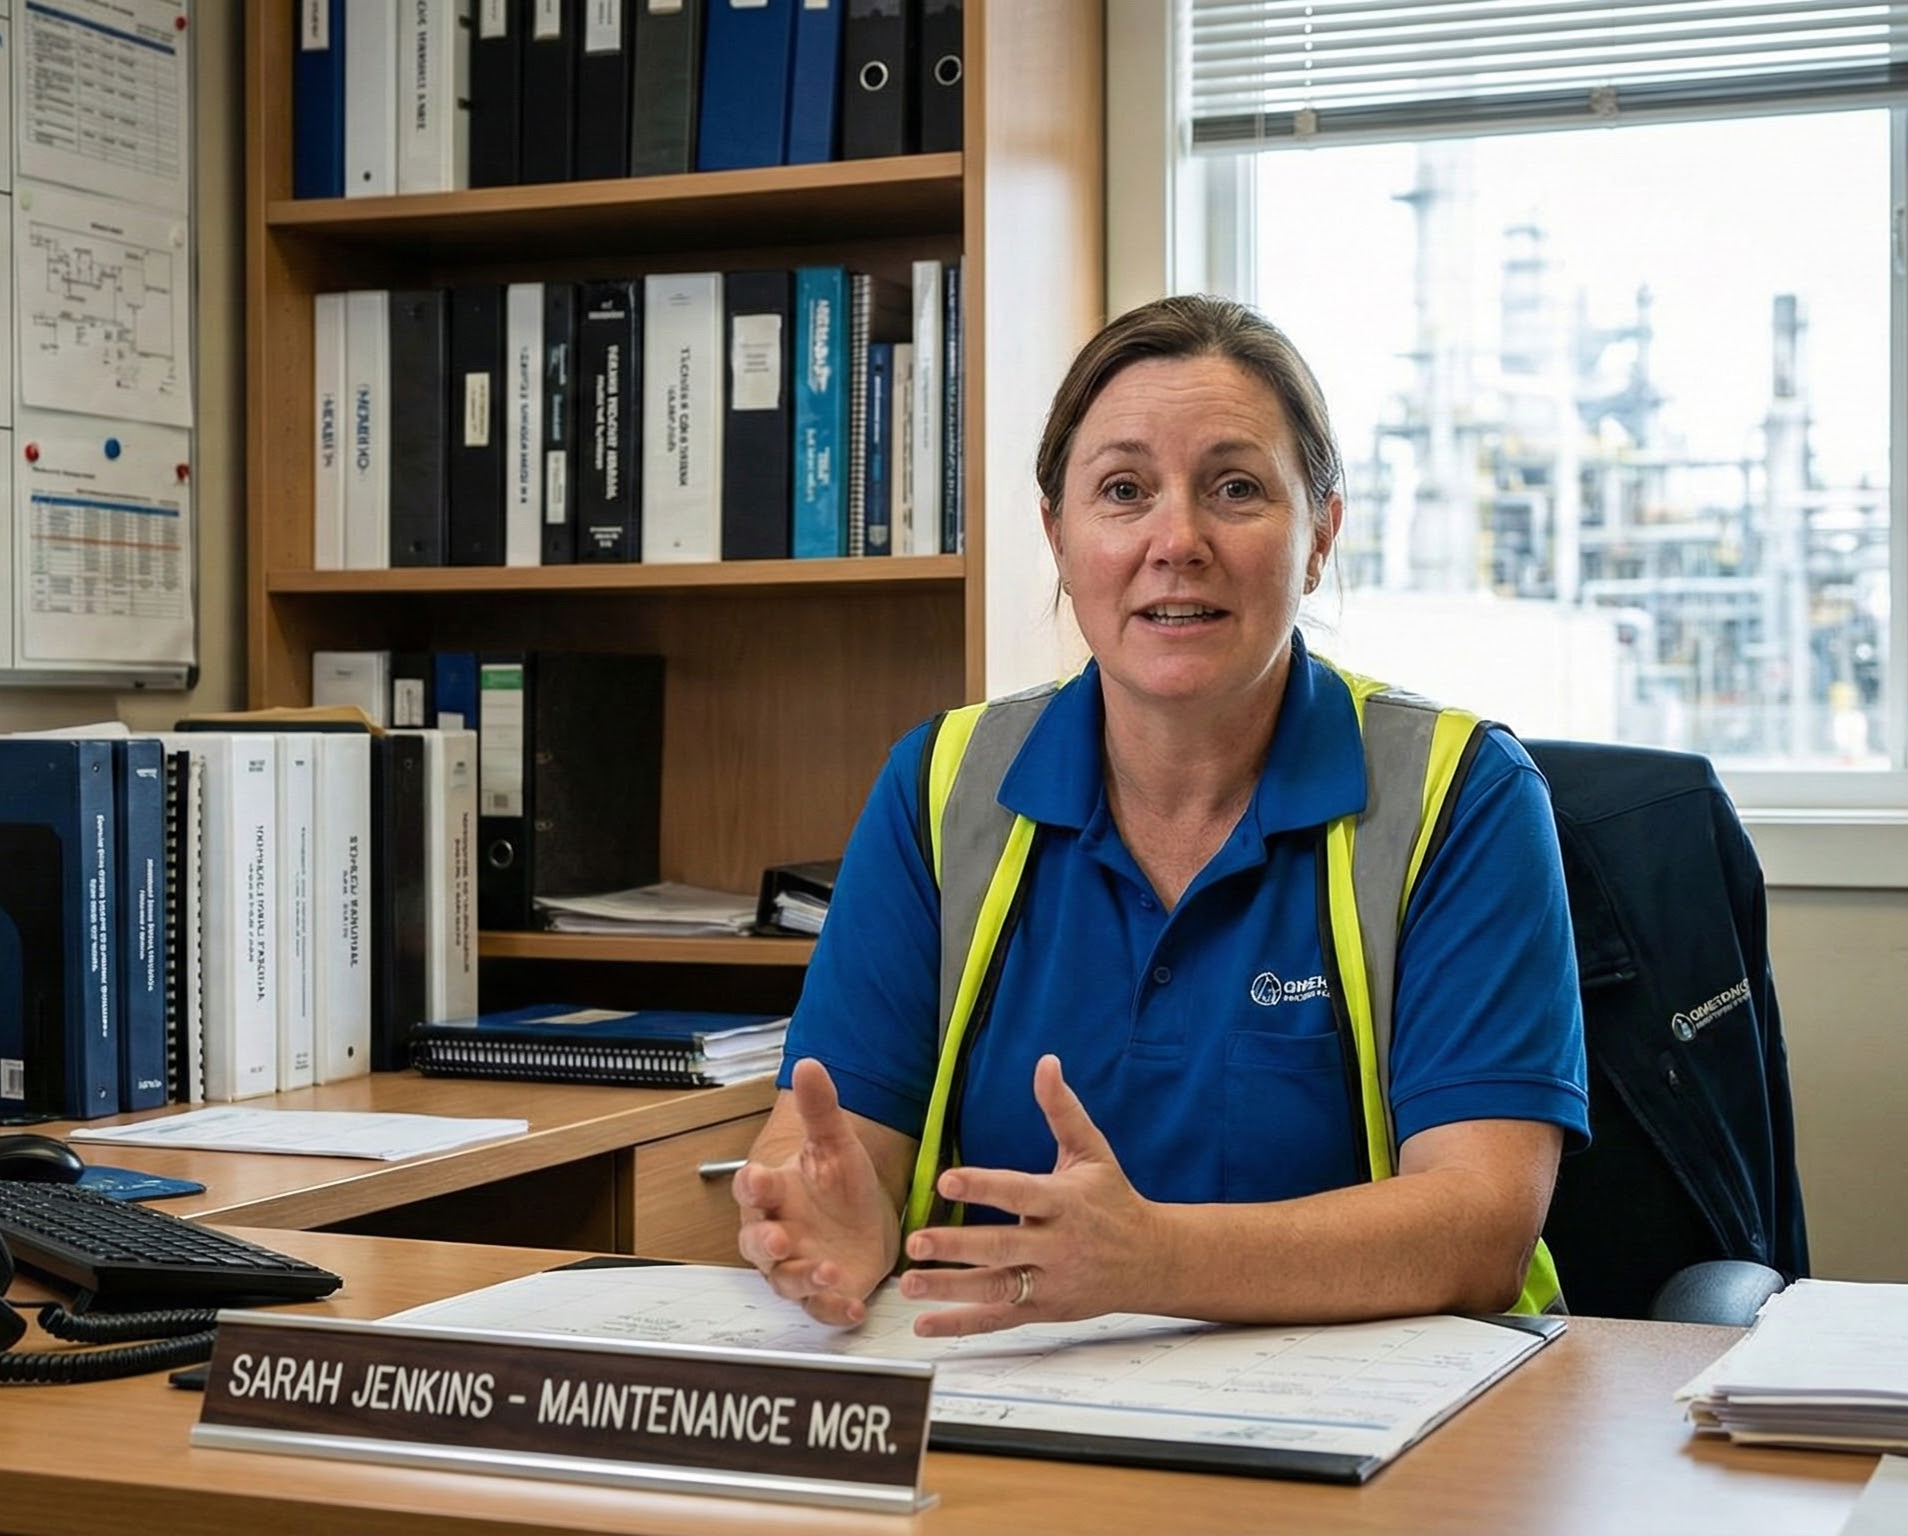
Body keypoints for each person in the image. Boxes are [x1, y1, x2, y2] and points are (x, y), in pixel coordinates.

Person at [734, 294, 1588, 1338]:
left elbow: (1480, 1224)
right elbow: (838, 1142)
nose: (1176, 540)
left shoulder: (1462, 795)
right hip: (1014, 1409)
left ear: (1320, 534)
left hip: (1385, 1429)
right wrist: (827, 1221)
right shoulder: (940, 786)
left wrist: (1148, 1260)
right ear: (1057, 535)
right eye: (1123, 491)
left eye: (1235, 488)